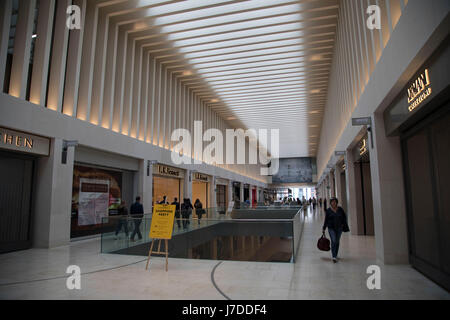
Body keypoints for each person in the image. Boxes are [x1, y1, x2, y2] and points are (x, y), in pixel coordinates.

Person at [322, 197, 350, 263]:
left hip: (339, 228)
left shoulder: (340, 209)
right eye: (332, 202)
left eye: (335, 202)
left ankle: (336, 254)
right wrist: (324, 228)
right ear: (330, 203)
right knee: (333, 240)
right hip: (331, 228)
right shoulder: (328, 210)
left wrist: (344, 224)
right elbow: (326, 220)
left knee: (337, 241)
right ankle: (334, 256)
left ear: (336, 202)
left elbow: (344, 217)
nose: (333, 203)